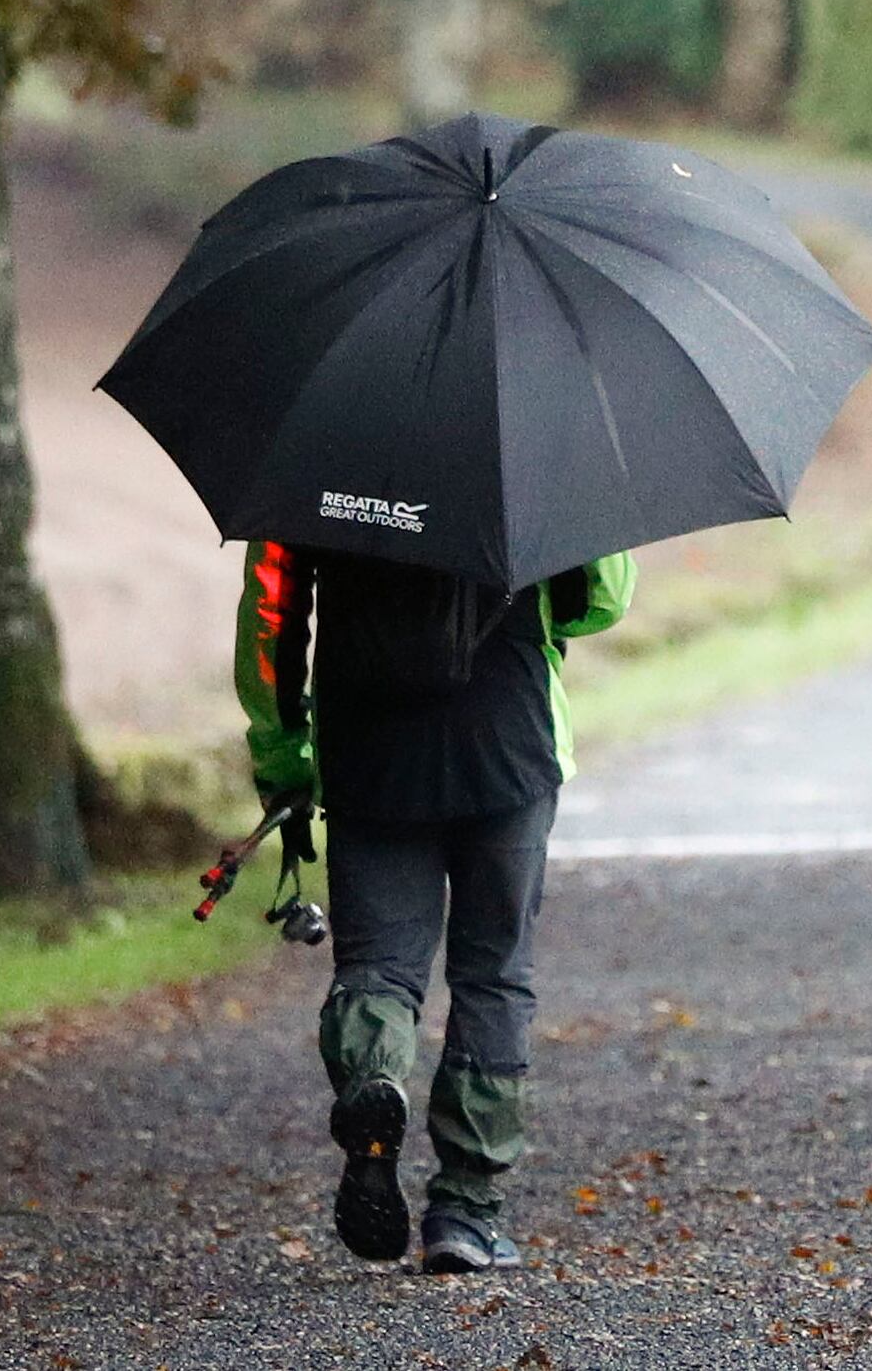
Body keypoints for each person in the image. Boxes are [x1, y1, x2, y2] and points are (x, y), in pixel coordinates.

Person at [232, 534, 634, 1272]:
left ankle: (373, 1079)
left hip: (369, 753)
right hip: (508, 741)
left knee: (379, 968)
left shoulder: (316, 451)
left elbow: (273, 618)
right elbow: (594, 601)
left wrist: (284, 758)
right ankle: (466, 1212)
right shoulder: (531, 432)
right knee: (492, 974)